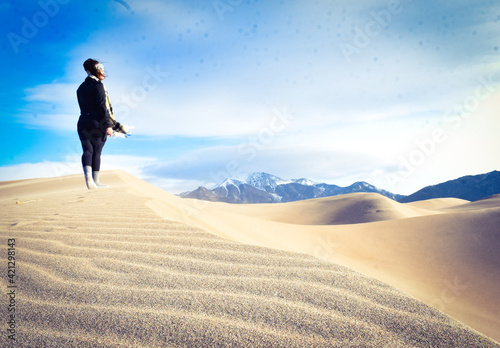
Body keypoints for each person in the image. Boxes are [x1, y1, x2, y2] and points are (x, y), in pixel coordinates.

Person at [76, 58, 129, 189]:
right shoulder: (98, 85)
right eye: (102, 69)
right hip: (97, 121)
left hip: (82, 121)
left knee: (87, 150)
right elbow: (101, 107)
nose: (103, 72)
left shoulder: (80, 88)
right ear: (96, 70)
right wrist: (108, 125)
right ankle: (96, 181)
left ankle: (88, 180)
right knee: (97, 152)